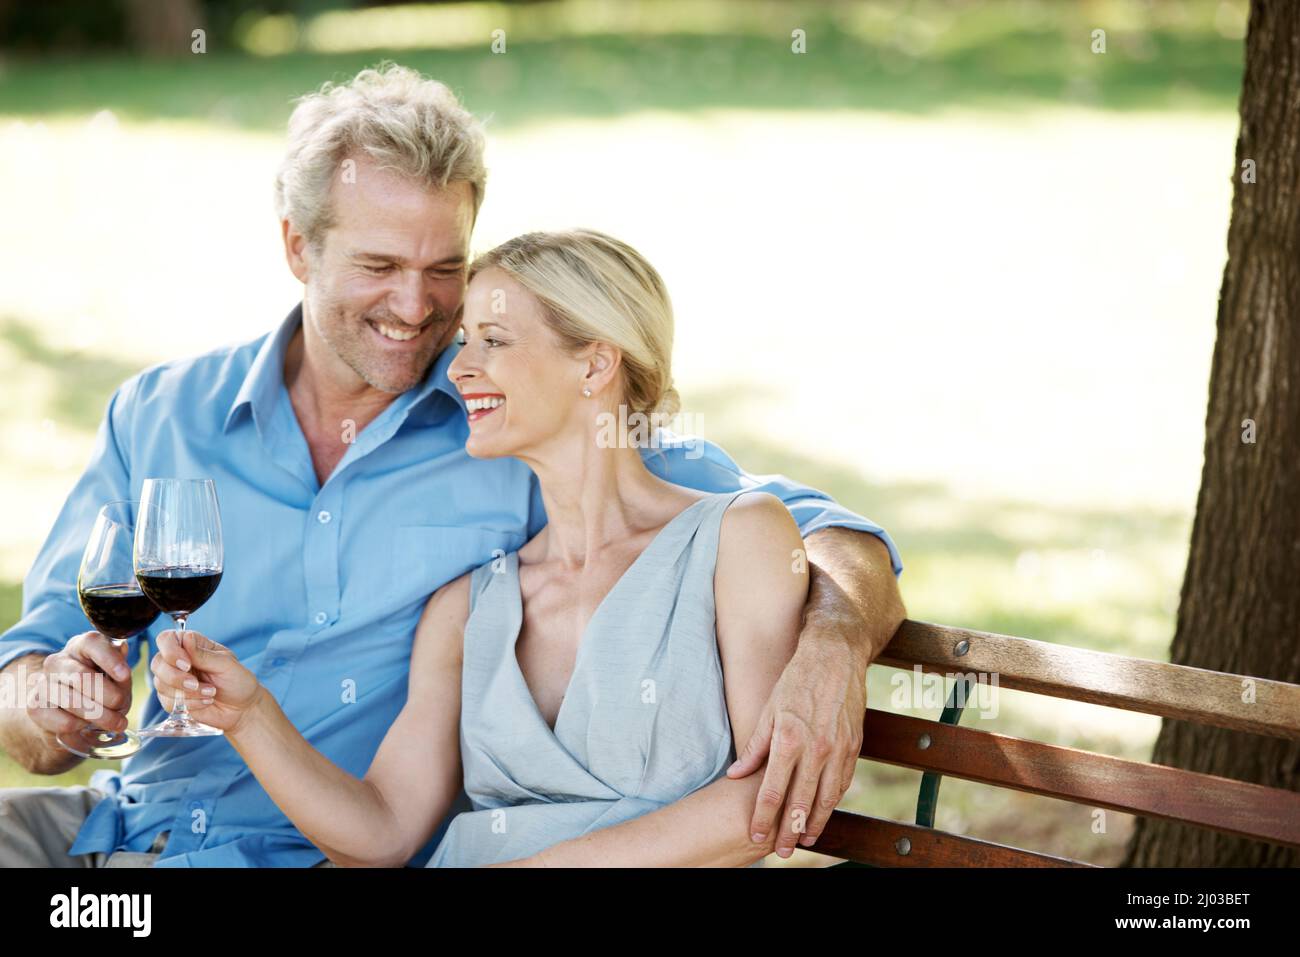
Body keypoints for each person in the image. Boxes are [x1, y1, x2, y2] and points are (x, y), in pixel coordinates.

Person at [0, 64, 905, 868]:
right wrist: (57, 701)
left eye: (445, 268)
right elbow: (25, 686)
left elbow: (823, 535)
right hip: (114, 823)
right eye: (380, 264)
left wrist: (829, 643)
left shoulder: (516, 422)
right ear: (297, 248)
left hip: (313, 849)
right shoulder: (160, 416)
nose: (418, 307)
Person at [150, 229, 811, 866]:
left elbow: (764, 795)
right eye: (465, 341)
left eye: (492, 340)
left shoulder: (737, 539)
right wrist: (248, 714)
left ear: (595, 362)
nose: (460, 368)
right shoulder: (469, 605)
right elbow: (382, 832)